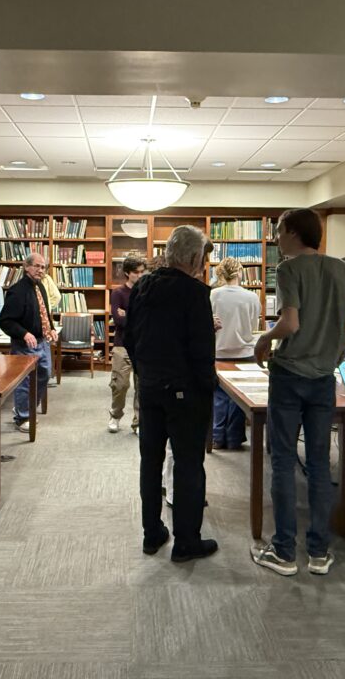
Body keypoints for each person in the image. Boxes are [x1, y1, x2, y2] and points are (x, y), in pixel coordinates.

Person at [251, 209, 345, 577]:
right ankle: (319, 552)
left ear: (294, 233)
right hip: (324, 379)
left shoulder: (289, 269)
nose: (277, 238)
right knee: (318, 464)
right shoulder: (344, 270)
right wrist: (341, 341)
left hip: (290, 375)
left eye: (279, 231)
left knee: (281, 460)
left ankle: (283, 552)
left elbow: (290, 322)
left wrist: (265, 338)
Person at [126, 225, 218, 562]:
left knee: (150, 462)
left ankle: (152, 533)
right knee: (189, 464)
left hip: (149, 388)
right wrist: (208, 388)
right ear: (195, 257)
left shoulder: (143, 286)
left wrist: (145, 373)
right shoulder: (195, 293)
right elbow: (201, 352)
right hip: (186, 393)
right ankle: (186, 542)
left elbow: (130, 340)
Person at [0, 252, 57, 433]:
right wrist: (23, 333)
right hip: (25, 345)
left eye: (43, 267)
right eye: (37, 266)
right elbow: (6, 321)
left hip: (43, 341)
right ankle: (23, 416)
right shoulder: (17, 291)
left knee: (45, 374)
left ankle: (27, 407)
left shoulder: (40, 286)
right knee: (24, 381)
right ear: (26, 267)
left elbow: (45, 312)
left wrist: (52, 328)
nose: (40, 270)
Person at [209, 257, 261, 450]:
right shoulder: (252, 297)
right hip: (244, 354)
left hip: (218, 352)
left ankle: (216, 437)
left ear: (220, 273)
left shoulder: (213, 295)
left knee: (219, 397)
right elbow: (254, 324)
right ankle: (234, 438)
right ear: (240, 273)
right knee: (239, 397)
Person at [108, 256, 145, 434]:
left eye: (141, 272)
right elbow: (118, 321)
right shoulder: (118, 293)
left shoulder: (146, 291)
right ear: (127, 273)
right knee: (120, 384)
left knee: (142, 386)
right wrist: (135, 317)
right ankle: (115, 415)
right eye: (136, 272)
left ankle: (138, 422)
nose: (139, 275)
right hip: (122, 344)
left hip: (142, 345)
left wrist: (128, 314)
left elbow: (147, 320)